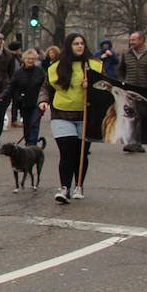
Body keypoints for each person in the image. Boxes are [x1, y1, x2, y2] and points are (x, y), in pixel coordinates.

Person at [39, 33, 102, 204]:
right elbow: (46, 87)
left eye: (82, 43)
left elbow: (106, 88)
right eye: (76, 44)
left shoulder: (95, 65)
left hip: (86, 114)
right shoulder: (57, 66)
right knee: (66, 152)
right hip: (62, 113)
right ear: (69, 46)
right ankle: (64, 188)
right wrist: (43, 101)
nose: (80, 46)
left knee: (81, 153)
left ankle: (79, 186)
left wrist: (93, 87)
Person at [117, 30, 147, 153]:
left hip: (144, 90)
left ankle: (138, 142)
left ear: (141, 40)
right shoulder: (126, 54)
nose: (131, 42)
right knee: (130, 116)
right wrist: (122, 82)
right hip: (129, 90)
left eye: (133, 40)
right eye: (130, 39)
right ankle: (131, 142)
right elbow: (120, 70)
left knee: (141, 117)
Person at [8, 49, 46, 147]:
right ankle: (27, 140)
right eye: (28, 59)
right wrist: (3, 96)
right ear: (24, 59)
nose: (30, 61)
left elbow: (45, 85)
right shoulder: (18, 72)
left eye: (32, 59)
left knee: (34, 124)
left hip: (37, 102)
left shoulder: (40, 71)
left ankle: (32, 144)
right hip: (24, 103)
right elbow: (11, 86)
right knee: (26, 124)